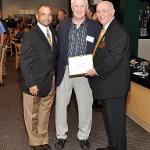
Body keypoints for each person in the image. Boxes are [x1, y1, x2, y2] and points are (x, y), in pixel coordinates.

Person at [55, 0, 100, 149]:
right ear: (72, 8)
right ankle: (61, 135)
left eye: (82, 6)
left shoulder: (95, 27)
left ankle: (84, 136)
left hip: (85, 72)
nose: (79, 9)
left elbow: (100, 51)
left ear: (87, 8)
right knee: (61, 105)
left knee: (85, 105)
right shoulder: (62, 26)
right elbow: (57, 49)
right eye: (76, 6)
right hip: (65, 69)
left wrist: (96, 68)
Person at [87, 1, 130, 150]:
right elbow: (101, 54)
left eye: (104, 11)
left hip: (115, 89)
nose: (101, 14)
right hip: (108, 87)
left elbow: (113, 58)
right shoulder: (106, 28)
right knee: (111, 123)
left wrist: (96, 71)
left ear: (113, 12)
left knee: (116, 125)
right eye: (98, 11)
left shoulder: (117, 31)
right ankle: (113, 146)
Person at [20, 4, 57, 150]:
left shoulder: (53, 33)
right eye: (43, 14)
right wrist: (31, 83)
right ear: (37, 17)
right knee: (32, 114)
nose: (47, 17)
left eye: (49, 14)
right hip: (34, 82)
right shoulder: (30, 35)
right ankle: (35, 141)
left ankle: (43, 138)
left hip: (50, 81)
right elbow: (24, 61)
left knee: (45, 112)